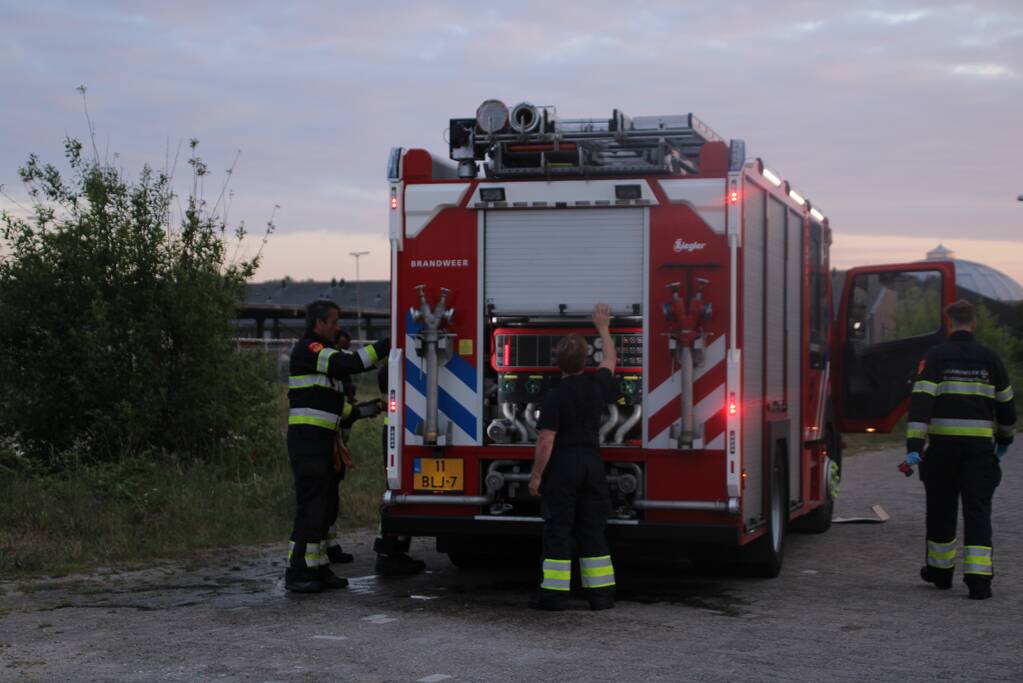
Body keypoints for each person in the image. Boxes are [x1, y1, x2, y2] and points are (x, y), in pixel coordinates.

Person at [906, 299, 1016, 600]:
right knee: (977, 511)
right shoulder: (991, 359)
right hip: (979, 452)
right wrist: (1004, 440)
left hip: (942, 451)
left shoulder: (935, 357)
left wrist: (914, 446)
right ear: (974, 323)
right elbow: (1007, 408)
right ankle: (979, 582)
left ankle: (940, 573)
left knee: (941, 510)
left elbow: (921, 403)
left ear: (949, 323)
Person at [284, 300, 388, 593]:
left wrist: (364, 410)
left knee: (324, 506)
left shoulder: (322, 355)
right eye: (333, 322)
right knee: (311, 506)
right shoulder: (310, 349)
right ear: (319, 323)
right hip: (308, 442)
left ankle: (317, 566)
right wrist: (389, 343)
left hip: (322, 442)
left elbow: (337, 406)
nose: (337, 327)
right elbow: (351, 363)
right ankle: (298, 570)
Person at [528, 303, 618, 611]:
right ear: (585, 360)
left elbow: (546, 439)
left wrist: (537, 475)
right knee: (592, 530)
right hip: (592, 465)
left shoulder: (554, 396)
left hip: (563, 466)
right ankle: (601, 596)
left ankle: (554, 597)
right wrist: (603, 328)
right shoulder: (596, 386)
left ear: (558, 363)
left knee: (559, 531)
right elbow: (610, 360)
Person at [322, 328, 384, 565]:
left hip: (336, 446)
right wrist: (367, 409)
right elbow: (342, 411)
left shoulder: (339, 369)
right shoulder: (329, 368)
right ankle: (326, 546)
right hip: (327, 446)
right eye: (341, 347)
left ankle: (330, 544)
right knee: (326, 499)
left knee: (331, 498)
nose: (344, 352)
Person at [372, 361, 427, 577]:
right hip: (400, 433)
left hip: (398, 433)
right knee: (396, 493)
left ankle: (391, 551)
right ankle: (389, 553)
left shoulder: (393, 366)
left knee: (396, 491)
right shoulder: (395, 367)